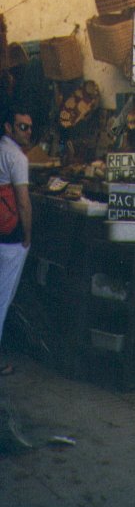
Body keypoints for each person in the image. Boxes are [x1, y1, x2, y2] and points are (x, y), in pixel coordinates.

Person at [0, 104, 33, 375]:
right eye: (22, 127)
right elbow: (23, 203)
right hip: (10, 237)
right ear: (9, 128)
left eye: (30, 127)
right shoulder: (17, 158)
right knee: (2, 300)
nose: (27, 132)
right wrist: (27, 236)